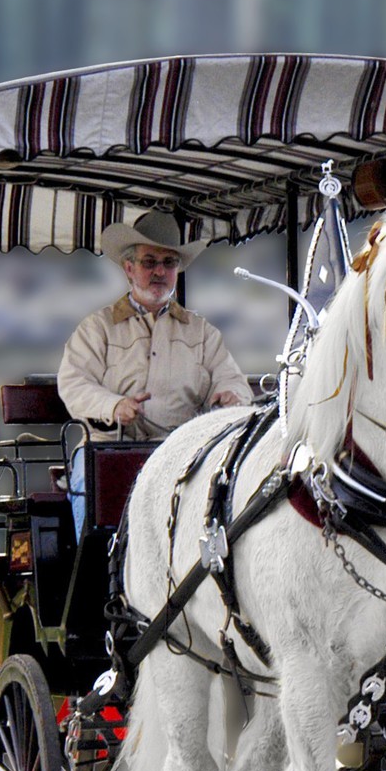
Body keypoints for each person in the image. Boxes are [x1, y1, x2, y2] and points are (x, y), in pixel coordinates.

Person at [57, 211, 252, 534]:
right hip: (108, 447)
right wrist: (114, 406)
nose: (160, 271)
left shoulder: (201, 331)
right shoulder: (98, 328)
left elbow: (232, 380)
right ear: (129, 269)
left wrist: (231, 395)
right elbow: (74, 383)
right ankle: (97, 577)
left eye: (169, 263)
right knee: (87, 486)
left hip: (184, 447)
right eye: (150, 262)